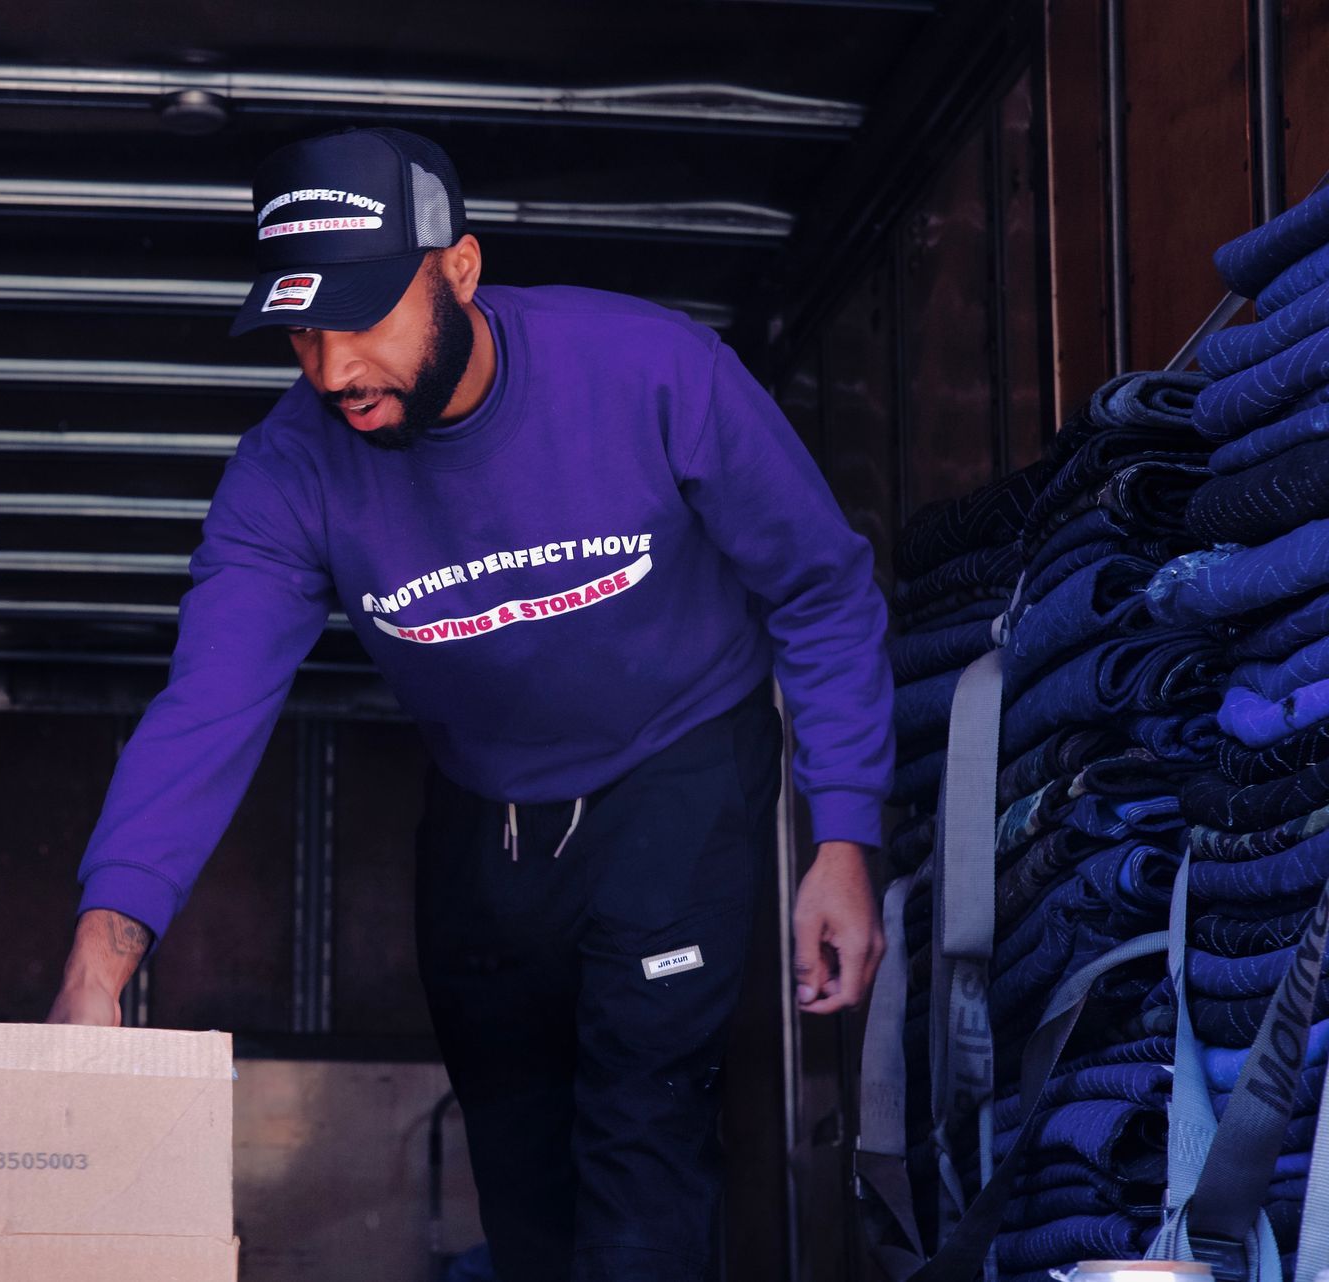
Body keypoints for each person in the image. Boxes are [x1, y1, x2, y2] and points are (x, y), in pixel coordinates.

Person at [48, 126, 894, 1282]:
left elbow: (821, 587)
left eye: (361, 320)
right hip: (483, 814)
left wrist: (844, 833)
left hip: (678, 773)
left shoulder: (651, 372)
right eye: (303, 331)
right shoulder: (288, 473)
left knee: (642, 1144)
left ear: (460, 269)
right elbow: (210, 705)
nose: (332, 369)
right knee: (520, 1168)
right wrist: (100, 959)